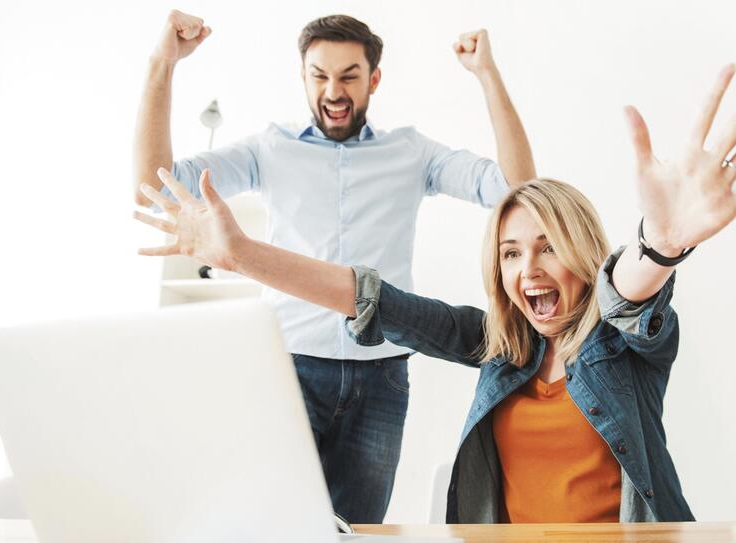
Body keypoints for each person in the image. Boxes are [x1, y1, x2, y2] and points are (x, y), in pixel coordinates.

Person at [135, 64, 736, 523]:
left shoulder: (622, 349)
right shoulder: (497, 346)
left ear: (583, 252)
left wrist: (661, 244)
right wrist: (243, 254)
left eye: (547, 247)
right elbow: (370, 298)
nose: (529, 270)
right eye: (512, 253)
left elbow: (626, 294)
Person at [132, 10, 534, 523]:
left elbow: (519, 191)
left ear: (374, 79)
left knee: (357, 532)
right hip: (288, 369)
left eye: (348, 75)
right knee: (273, 527)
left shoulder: (411, 152)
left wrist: (487, 75)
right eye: (320, 75)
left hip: (381, 378)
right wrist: (162, 63)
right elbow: (155, 185)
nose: (334, 90)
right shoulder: (269, 149)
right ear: (303, 78)